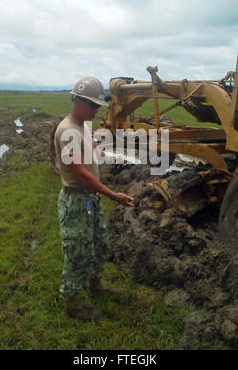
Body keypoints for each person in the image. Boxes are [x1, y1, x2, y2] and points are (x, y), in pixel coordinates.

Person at [54, 76, 134, 321]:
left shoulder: (82, 126)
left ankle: (96, 286)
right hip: (76, 200)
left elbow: (91, 151)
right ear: (77, 101)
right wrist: (112, 194)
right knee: (78, 251)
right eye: (94, 105)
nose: (97, 110)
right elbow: (79, 171)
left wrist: (111, 156)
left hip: (91, 199)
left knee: (99, 243)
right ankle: (73, 302)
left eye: (99, 105)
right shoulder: (68, 131)